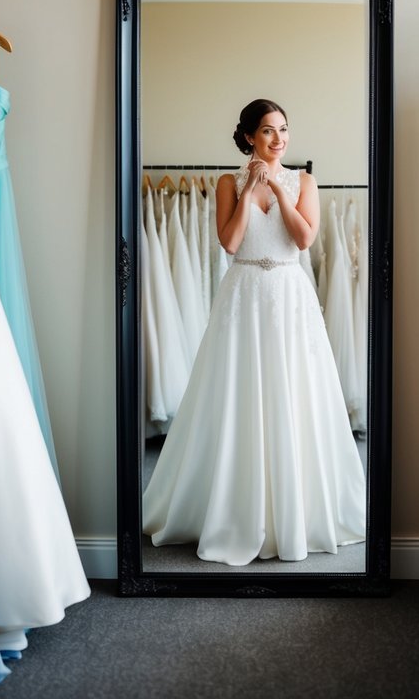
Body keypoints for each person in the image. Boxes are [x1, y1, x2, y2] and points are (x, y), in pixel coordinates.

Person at [142, 99, 367, 566]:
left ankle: (297, 511)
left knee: (294, 390)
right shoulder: (228, 182)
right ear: (248, 137)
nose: (279, 139)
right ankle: (229, 509)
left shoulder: (304, 182)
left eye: (283, 129)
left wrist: (282, 193)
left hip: (288, 294)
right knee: (237, 392)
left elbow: (304, 239)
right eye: (268, 131)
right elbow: (228, 242)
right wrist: (249, 193)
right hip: (243, 292)